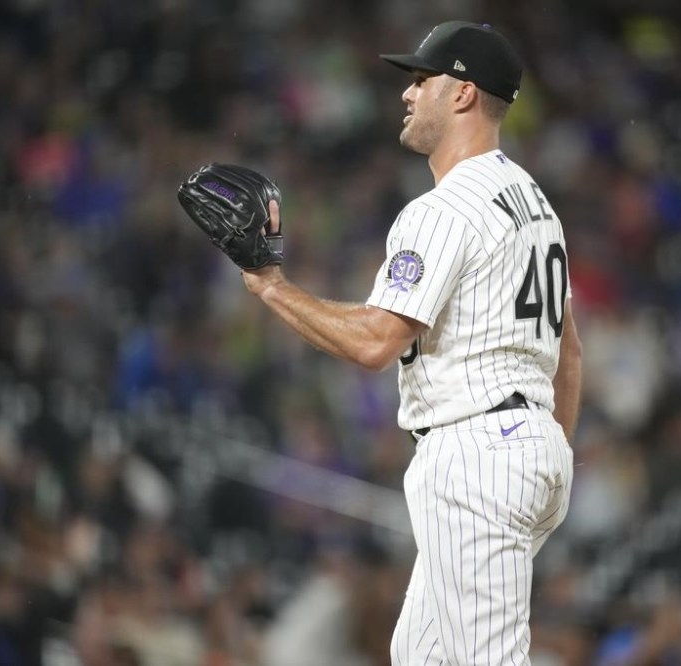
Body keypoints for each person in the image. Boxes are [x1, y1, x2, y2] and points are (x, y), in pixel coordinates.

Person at [238, 21, 582, 665]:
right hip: (528, 450)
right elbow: (571, 353)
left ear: (462, 95)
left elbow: (375, 343)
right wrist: (547, 451)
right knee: (420, 655)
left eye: (423, 79)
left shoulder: (445, 209)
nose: (408, 92)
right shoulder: (536, 204)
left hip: (478, 455)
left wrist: (270, 286)